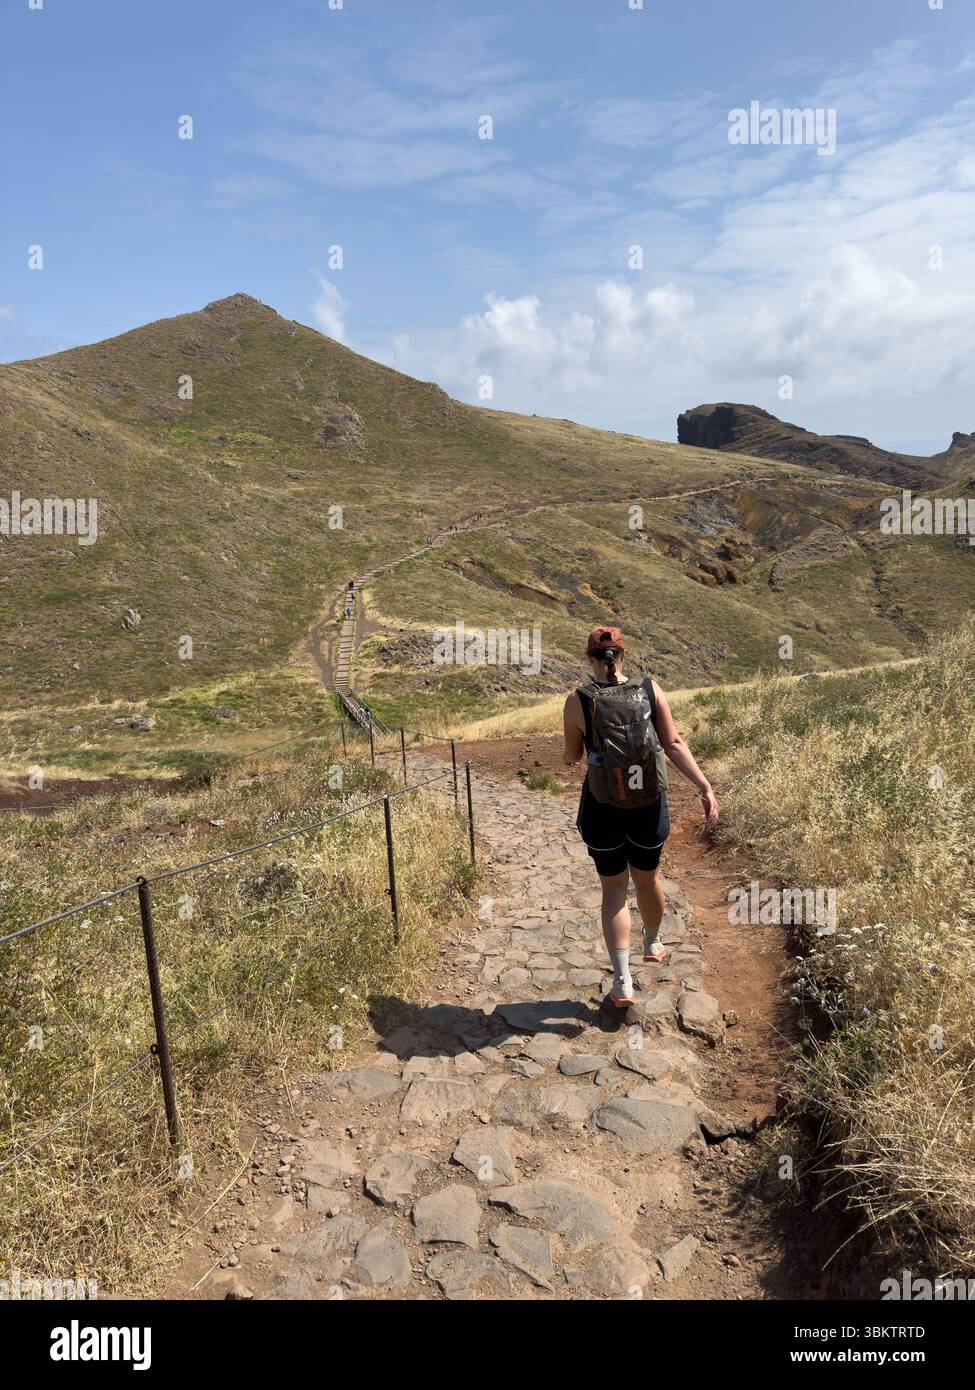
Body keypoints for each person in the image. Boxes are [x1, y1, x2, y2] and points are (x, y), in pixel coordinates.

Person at [563, 625, 719, 1011]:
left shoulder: (577, 700)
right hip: (649, 806)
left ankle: (622, 982)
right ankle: (652, 941)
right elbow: (673, 743)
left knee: (614, 891)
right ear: (622, 655)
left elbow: (571, 758)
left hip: (603, 809)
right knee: (647, 881)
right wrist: (705, 787)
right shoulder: (650, 689)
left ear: (590, 659)